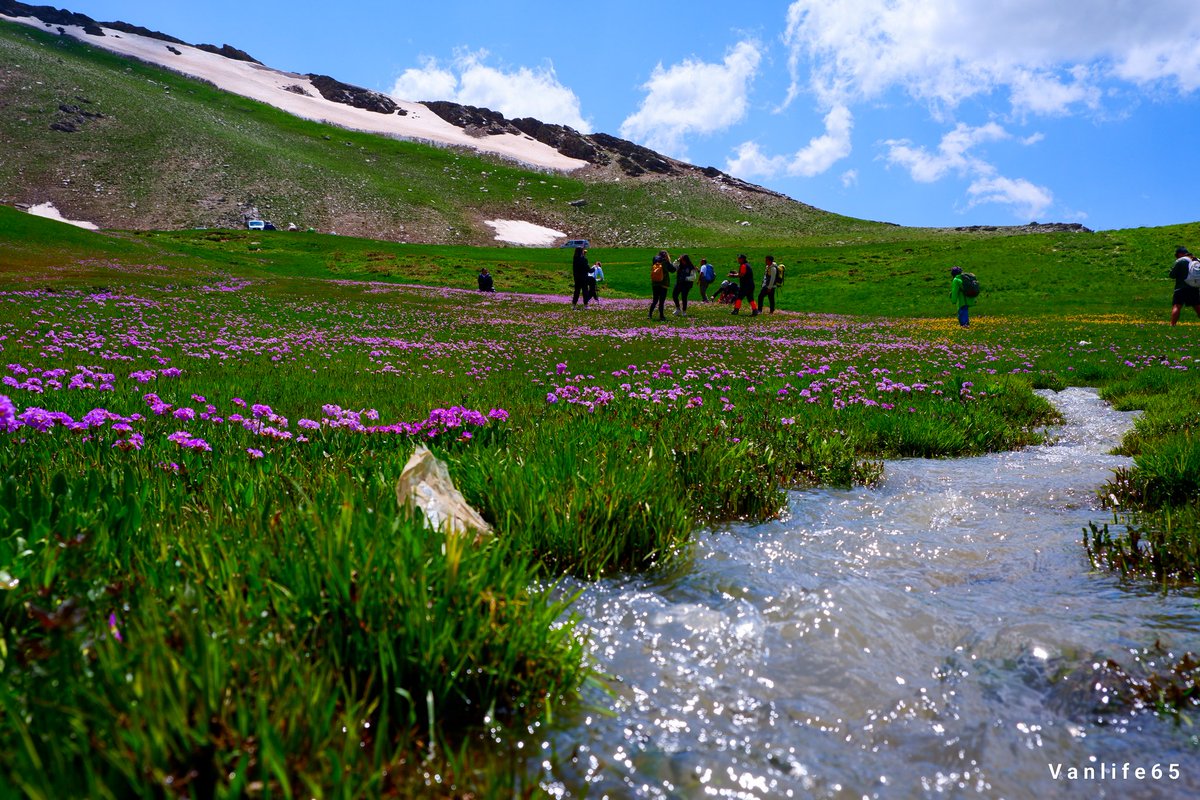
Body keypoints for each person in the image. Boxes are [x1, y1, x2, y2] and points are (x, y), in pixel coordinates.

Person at [1169, 246, 1200, 326]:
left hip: (1180, 288)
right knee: (1197, 306)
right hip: (1193, 287)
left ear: (1180, 254)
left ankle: (1172, 325)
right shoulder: (1196, 260)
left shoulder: (1180, 261)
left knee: (1177, 306)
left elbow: (1172, 275)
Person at [649, 250, 674, 321]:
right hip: (663, 283)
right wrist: (670, 261)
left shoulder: (655, 261)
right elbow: (673, 270)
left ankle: (650, 314)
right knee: (661, 301)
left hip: (655, 283)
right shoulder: (666, 262)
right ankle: (662, 316)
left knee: (655, 300)